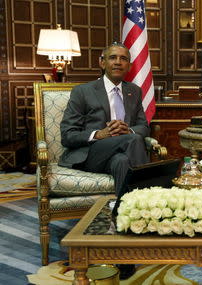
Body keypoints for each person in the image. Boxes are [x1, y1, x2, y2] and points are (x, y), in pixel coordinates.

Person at [59, 42, 149, 279]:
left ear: (129, 64)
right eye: (112, 58)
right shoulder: (83, 91)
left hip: (119, 153)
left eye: (123, 58)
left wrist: (127, 129)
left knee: (122, 160)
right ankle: (148, 206)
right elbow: (67, 135)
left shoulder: (134, 91)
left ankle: (123, 244)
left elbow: (143, 126)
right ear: (102, 62)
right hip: (92, 153)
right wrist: (98, 134)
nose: (118, 62)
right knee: (131, 142)